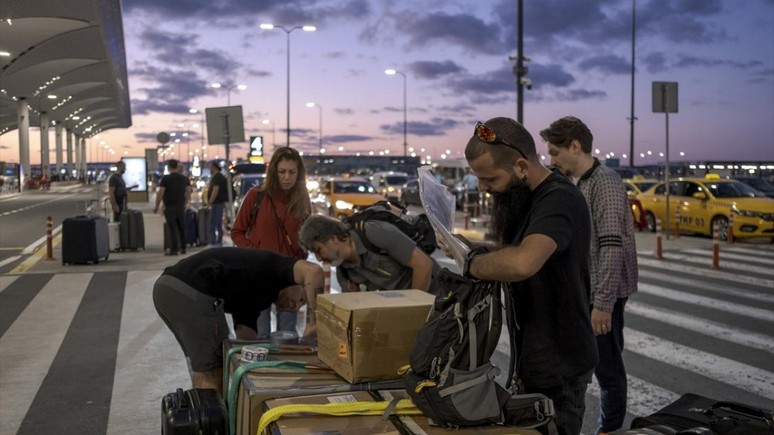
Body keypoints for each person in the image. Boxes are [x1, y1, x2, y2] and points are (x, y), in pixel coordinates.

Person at [461, 117, 598, 435]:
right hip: (535, 355)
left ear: (521, 166)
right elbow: (514, 248)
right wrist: (473, 249)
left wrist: (472, 265)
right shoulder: (525, 196)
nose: (482, 188)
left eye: (489, 178)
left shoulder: (559, 199)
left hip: (560, 363)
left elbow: (523, 261)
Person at [541, 116, 638, 435]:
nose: (552, 160)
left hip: (603, 293)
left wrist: (603, 304)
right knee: (594, 362)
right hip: (591, 290)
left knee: (608, 367)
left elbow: (612, 245)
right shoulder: (580, 183)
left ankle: (609, 429)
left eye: (555, 152)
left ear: (575, 146)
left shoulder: (604, 181)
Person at [153, 248, 324, 396]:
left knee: (207, 365)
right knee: (213, 372)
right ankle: (211, 425)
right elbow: (314, 272)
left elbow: (245, 339)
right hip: (191, 289)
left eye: (298, 307)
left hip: (167, 289)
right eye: (301, 300)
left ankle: (203, 418)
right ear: (298, 283)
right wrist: (313, 323)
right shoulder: (277, 267)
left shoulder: (258, 298)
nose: (294, 306)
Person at [230, 147, 311, 339]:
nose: (286, 177)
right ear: (273, 171)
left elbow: (306, 238)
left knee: (288, 335)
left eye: (292, 172)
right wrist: (256, 254)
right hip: (259, 275)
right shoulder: (256, 195)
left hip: (289, 275)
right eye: (282, 172)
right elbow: (237, 232)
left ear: (299, 173)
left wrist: (301, 268)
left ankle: (285, 369)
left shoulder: (302, 199)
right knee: (261, 335)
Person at [299, 214, 441, 294]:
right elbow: (353, 307)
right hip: (401, 307)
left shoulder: (373, 232)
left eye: (318, 250)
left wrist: (415, 311)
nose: (318, 258)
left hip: (438, 295)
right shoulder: (345, 271)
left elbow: (424, 265)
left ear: (333, 239)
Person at [154, 159, 192, 256]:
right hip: (180, 206)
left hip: (170, 206)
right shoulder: (184, 178)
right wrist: (187, 202)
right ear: (177, 166)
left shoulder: (166, 179)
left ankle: (174, 249)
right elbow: (188, 191)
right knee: (182, 227)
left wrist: (157, 206)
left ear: (169, 167)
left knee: (172, 228)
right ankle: (183, 248)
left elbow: (160, 193)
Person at [207, 161, 228, 247]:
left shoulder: (217, 177)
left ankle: (214, 241)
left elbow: (215, 190)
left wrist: (210, 201)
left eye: (210, 167)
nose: (210, 169)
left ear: (214, 167)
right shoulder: (219, 176)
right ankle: (218, 240)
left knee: (214, 222)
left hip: (217, 203)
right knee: (218, 222)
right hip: (219, 203)